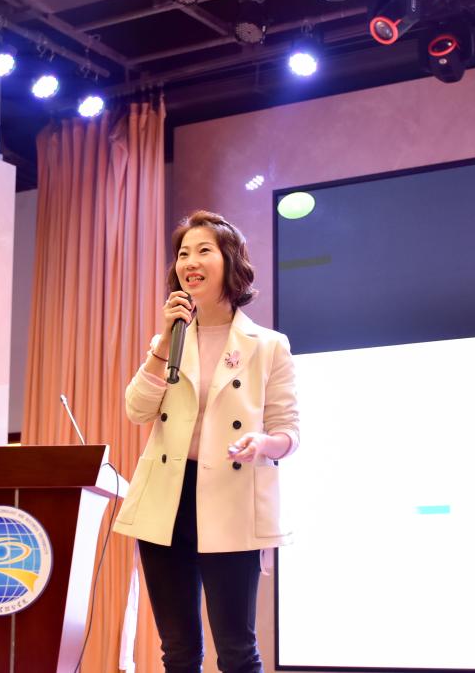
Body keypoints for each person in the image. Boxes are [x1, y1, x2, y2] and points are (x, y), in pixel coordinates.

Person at [112, 210, 299, 673]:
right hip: (167, 501)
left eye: (203, 251)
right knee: (177, 651)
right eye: (182, 254)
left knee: (237, 650)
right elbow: (137, 410)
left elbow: (289, 432)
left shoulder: (268, 345)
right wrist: (162, 344)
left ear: (229, 261)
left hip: (231, 498)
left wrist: (263, 443)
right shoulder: (169, 340)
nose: (189, 262)